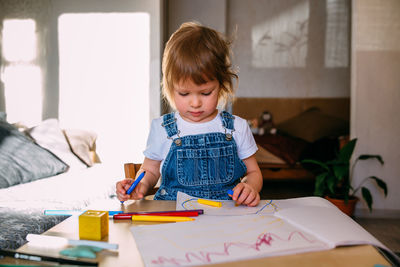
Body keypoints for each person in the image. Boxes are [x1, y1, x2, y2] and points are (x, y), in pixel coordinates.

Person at [116, 22, 262, 206]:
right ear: (169, 88)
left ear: (222, 84)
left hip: (224, 218)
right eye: (184, 94)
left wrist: (250, 187)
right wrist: (140, 185)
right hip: (174, 217)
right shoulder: (162, 128)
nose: (195, 103)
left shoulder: (236, 128)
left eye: (206, 93)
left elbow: (254, 173)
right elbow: (150, 171)